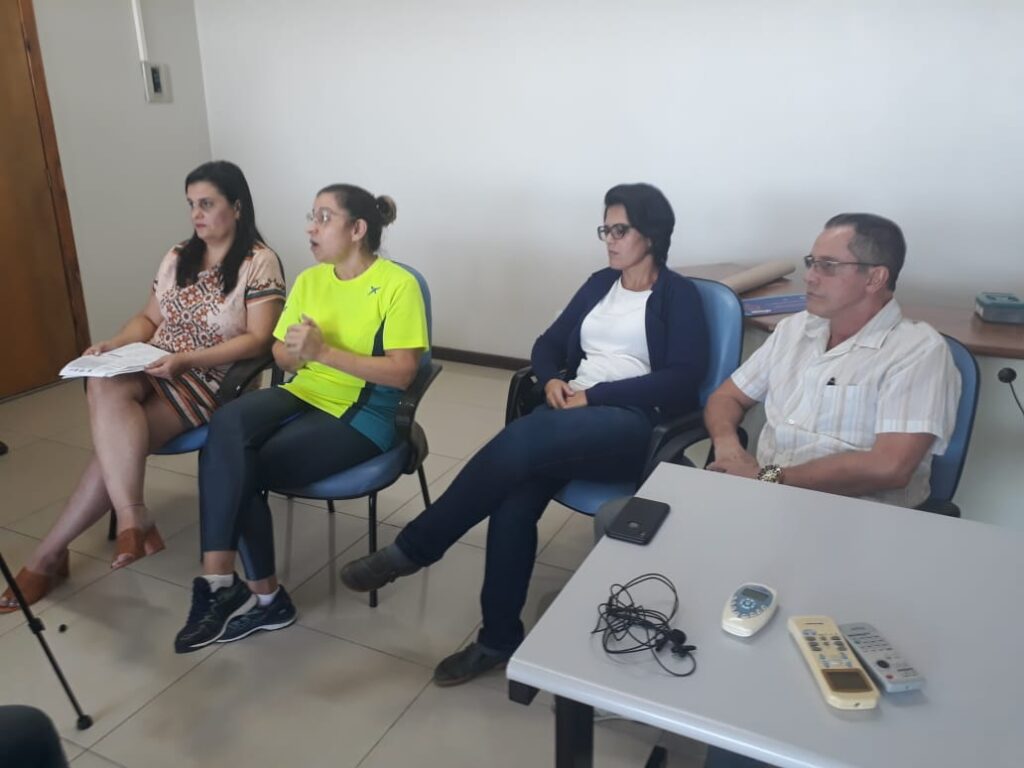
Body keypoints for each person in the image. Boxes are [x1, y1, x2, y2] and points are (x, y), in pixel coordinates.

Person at [338, 183, 710, 687]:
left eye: (620, 230)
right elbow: (547, 343)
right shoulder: (601, 283)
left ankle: (415, 548)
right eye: (605, 229)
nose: (609, 239)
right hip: (572, 416)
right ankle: (497, 640)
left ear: (652, 233)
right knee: (514, 498)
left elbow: (683, 378)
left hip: (633, 421)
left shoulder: (678, 295)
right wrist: (553, 378)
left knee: (522, 441)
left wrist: (594, 396)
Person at [674, 213, 957, 768]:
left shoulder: (917, 352)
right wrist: (730, 450)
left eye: (828, 265)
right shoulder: (795, 331)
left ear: (875, 277)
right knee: (651, 546)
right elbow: (726, 398)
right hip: (766, 509)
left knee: (783, 648)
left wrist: (768, 478)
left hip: (858, 530)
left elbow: (891, 467)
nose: (810, 276)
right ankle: (696, 703)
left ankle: (747, 736)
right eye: (811, 262)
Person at [0, 160, 285, 613]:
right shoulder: (179, 254)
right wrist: (115, 344)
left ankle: (48, 556)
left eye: (206, 204)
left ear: (236, 206)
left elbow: (259, 340)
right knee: (102, 381)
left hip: (210, 377)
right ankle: (132, 515)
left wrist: (187, 360)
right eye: (191, 204)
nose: (196, 214)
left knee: (113, 449)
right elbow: (150, 319)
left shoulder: (259, 261)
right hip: (155, 361)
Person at [172, 183, 429, 653]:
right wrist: (293, 353)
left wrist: (323, 352)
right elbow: (279, 352)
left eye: (324, 218)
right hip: (305, 391)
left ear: (357, 229)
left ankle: (265, 599)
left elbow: (402, 373)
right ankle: (219, 581)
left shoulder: (397, 285)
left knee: (240, 466)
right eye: (311, 216)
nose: (311, 228)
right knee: (224, 430)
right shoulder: (311, 280)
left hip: (364, 412)